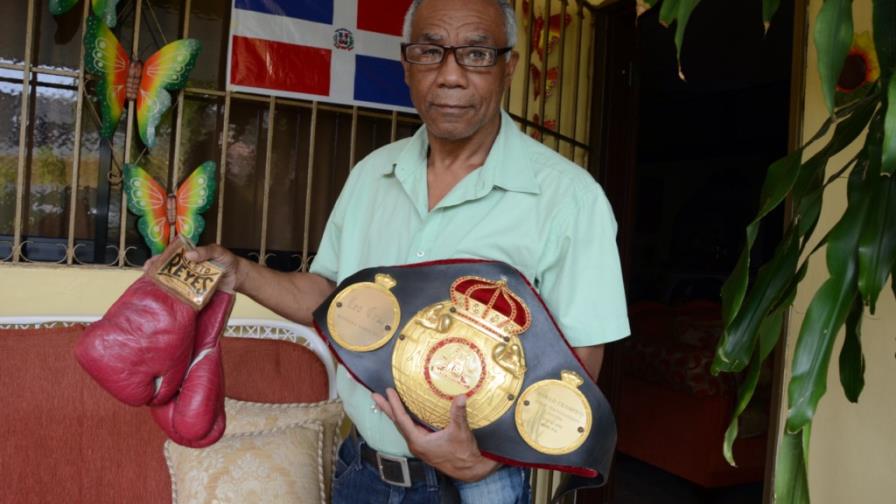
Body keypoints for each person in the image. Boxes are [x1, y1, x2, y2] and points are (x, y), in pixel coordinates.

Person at [180, 0, 629, 502]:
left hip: (481, 488)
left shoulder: (570, 197)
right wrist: (237, 270)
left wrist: (484, 458)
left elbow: (581, 352)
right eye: (430, 52)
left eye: (477, 54)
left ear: (509, 68)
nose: (451, 76)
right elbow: (332, 298)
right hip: (363, 473)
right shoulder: (373, 174)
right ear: (407, 65)